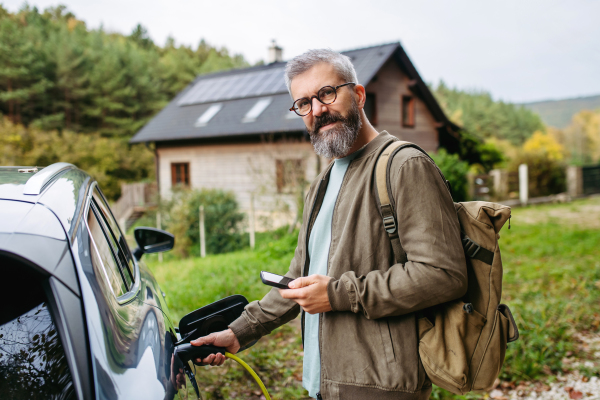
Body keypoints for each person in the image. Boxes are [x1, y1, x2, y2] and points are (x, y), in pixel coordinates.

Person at [191, 49, 467, 400]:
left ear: (359, 94)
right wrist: (238, 333)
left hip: (381, 387)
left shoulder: (404, 166)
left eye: (327, 93)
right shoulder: (321, 184)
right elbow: (298, 281)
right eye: (304, 103)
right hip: (324, 384)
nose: (318, 109)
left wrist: (338, 293)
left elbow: (444, 274)